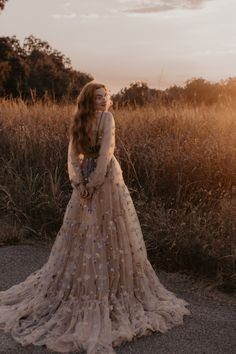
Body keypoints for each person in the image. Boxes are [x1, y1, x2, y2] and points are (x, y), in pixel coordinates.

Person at [0, 81, 191, 354]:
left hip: (105, 181)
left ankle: (111, 285)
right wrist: (79, 183)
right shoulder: (80, 119)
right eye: (99, 97)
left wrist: (93, 183)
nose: (104, 101)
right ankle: (82, 285)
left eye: (106, 96)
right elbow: (71, 154)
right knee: (83, 233)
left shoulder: (107, 118)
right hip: (87, 184)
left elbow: (106, 153)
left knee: (107, 231)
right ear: (89, 99)